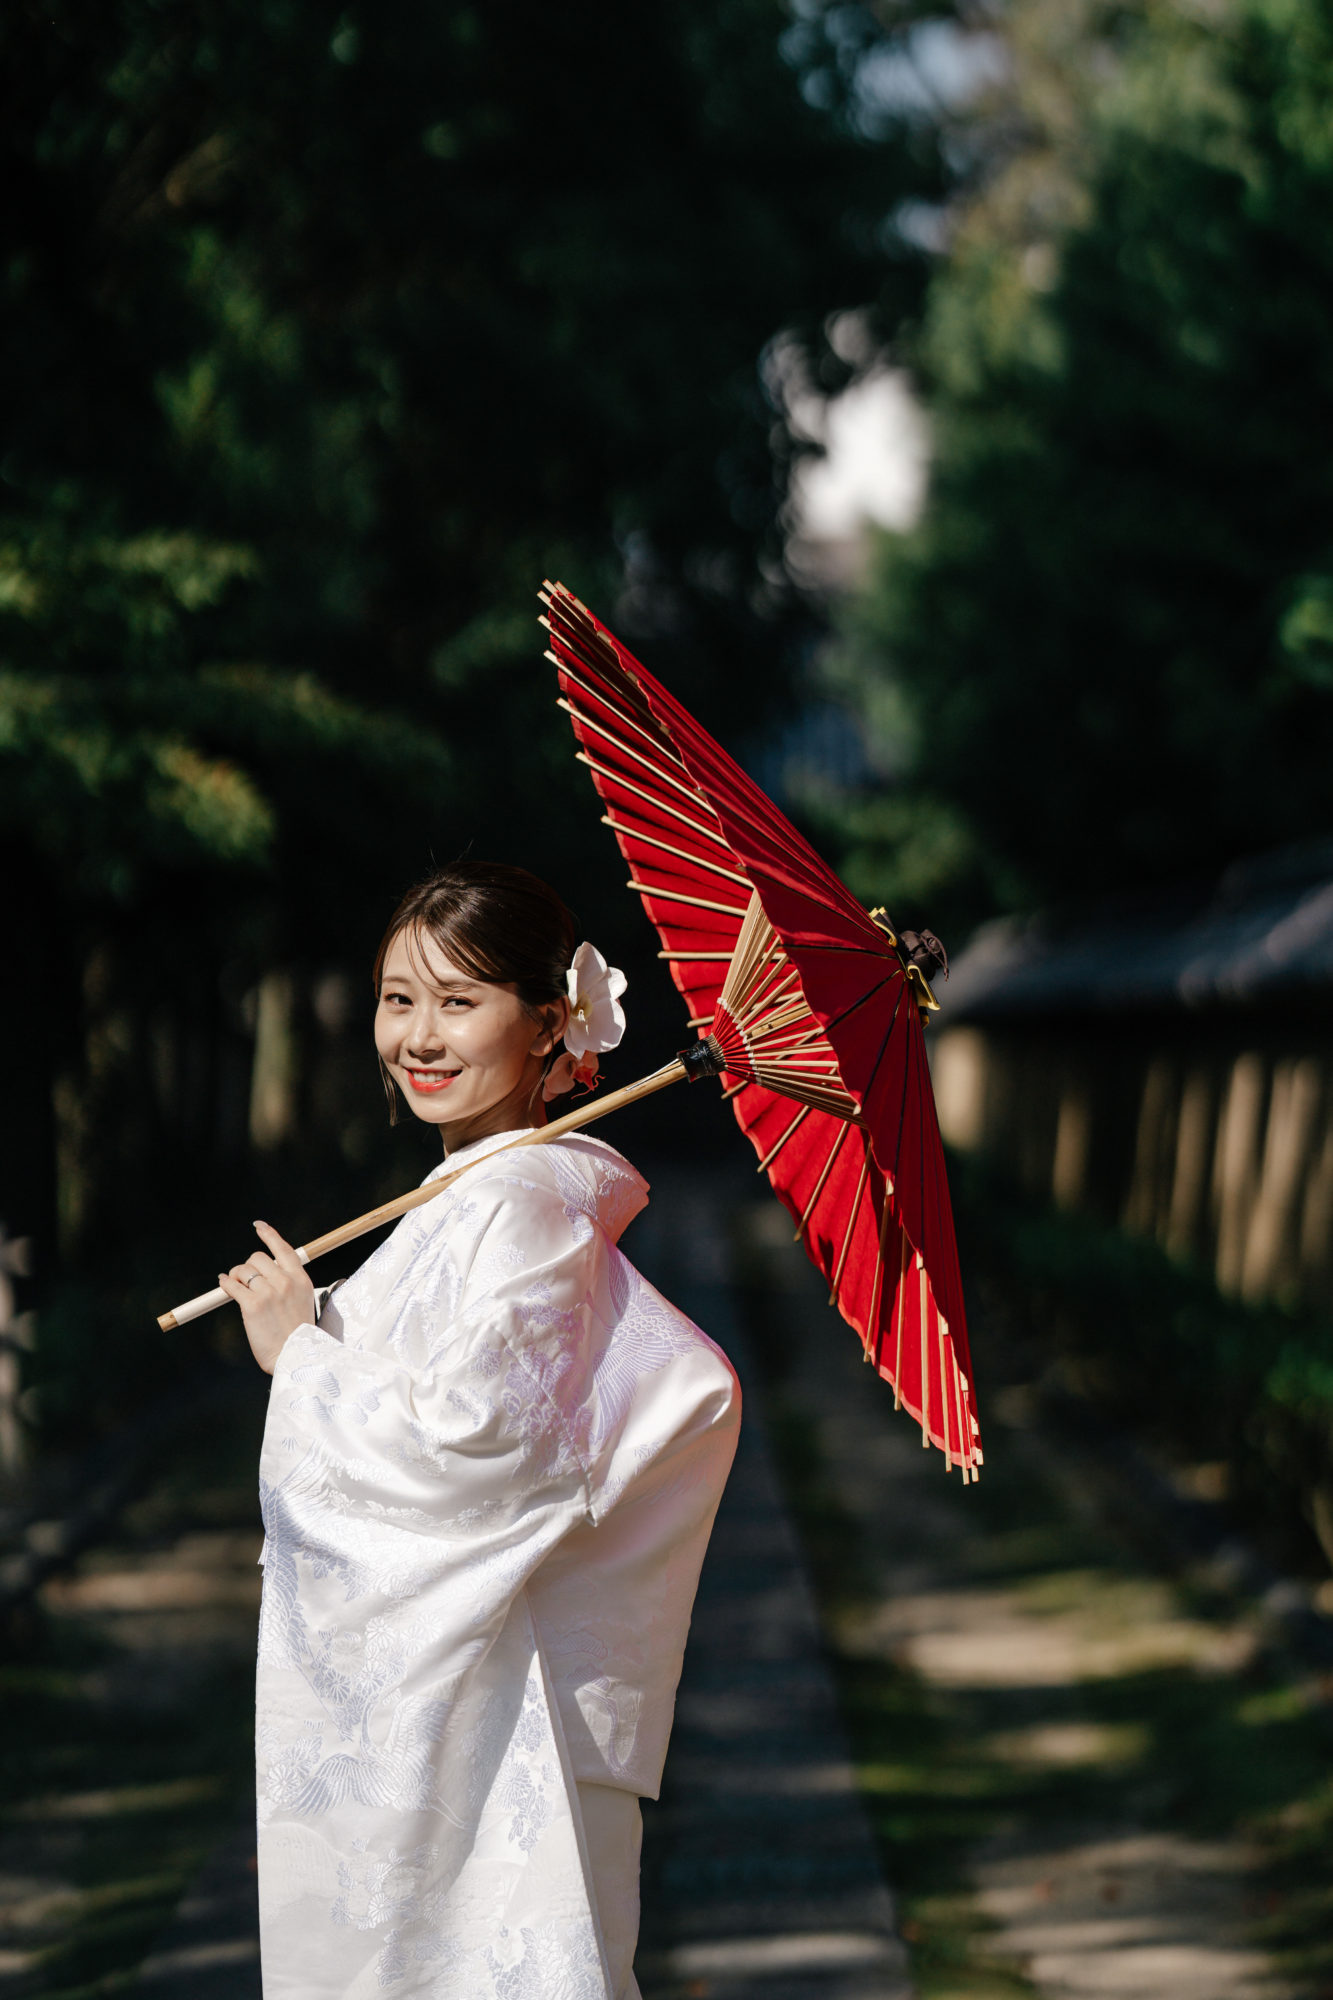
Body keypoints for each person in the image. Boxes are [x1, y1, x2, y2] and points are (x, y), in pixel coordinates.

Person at [217, 860, 741, 2000]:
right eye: (398, 997)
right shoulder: (479, 1195)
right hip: (469, 1693)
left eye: (460, 1002)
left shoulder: (517, 1205)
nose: (418, 1035)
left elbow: (482, 1447)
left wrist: (297, 1356)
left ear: (549, 1021)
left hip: (501, 1720)